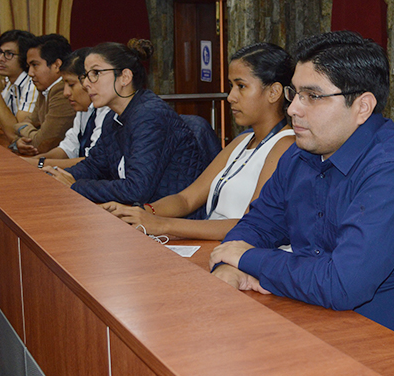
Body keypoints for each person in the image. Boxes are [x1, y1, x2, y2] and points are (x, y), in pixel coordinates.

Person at [210, 31, 394, 343]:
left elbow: (342, 284)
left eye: (313, 96)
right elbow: (257, 224)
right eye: (295, 93)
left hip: (389, 345)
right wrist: (230, 266)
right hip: (312, 317)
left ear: (362, 106)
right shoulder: (300, 154)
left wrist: (248, 259)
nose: (293, 109)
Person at [101, 42, 295, 240]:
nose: (231, 97)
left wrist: (163, 224)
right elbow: (186, 199)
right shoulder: (242, 141)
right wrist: (138, 212)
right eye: (231, 86)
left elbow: (252, 224)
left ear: (274, 92)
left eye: (241, 86)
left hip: (238, 253)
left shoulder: (286, 145)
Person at [45, 39, 212, 210]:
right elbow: (94, 165)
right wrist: (56, 177)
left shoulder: (150, 116)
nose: (86, 83)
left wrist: (75, 186)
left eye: (95, 73)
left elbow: (136, 189)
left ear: (125, 77)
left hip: (169, 221)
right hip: (138, 215)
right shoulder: (114, 117)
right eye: (86, 75)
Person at [22, 48, 113, 169]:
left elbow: (93, 163)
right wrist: (31, 161)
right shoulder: (83, 110)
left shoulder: (108, 111)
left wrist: (37, 164)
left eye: (71, 85)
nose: (66, 93)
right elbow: (68, 149)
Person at [4, 34, 76, 155]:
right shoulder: (45, 89)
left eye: (35, 65)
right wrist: (18, 141)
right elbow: (27, 122)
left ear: (57, 65)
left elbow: (42, 144)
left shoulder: (63, 92)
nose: (30, 73)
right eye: (28, 67)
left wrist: (23, 129)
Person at [0, 29, 39, 137]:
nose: (0, 59)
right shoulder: (8, 83)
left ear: (25, 58)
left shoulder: (33, 84)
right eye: (0, 53)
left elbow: (18, 134)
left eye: (9, 54)